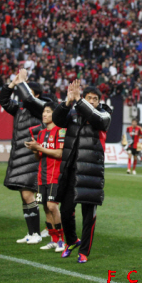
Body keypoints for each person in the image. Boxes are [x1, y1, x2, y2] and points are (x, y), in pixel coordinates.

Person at [52, 80, 112, 263]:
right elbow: (57, 120)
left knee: (89, 215)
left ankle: (84, 251)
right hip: (71, 169)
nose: (92, 101)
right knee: (65, 210)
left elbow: (97, 119)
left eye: (95, 99)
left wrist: (80, 101)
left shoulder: (105, 113)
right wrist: (67, 102)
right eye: (89, 98)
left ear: (99, 101)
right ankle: (72, 241)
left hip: (91, 171)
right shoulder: (73, 112)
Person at [0, 69, 48, 244]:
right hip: (19, 157)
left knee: (29, 194)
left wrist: (21, 82)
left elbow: (28, 98)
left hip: (31, 157)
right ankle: (31, 232)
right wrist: (12, 84)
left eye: (26, 90)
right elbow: (3, 101)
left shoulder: (40, 108)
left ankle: (37, 233)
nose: (21, 94)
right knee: (24, 195)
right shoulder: (20, 108)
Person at [24, 101, 65, 252]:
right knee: (46, 209)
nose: (44, 114)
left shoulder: (61, 131)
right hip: (42, 175)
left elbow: (59, 153)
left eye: (48, 111)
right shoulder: (41, 133)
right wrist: (35, 149)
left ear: (55, 114)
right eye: (44, 112)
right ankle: (53, 240)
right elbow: (38, 157)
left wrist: (39, 147)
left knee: (52, 206)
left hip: (55, 175)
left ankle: (61, 240)